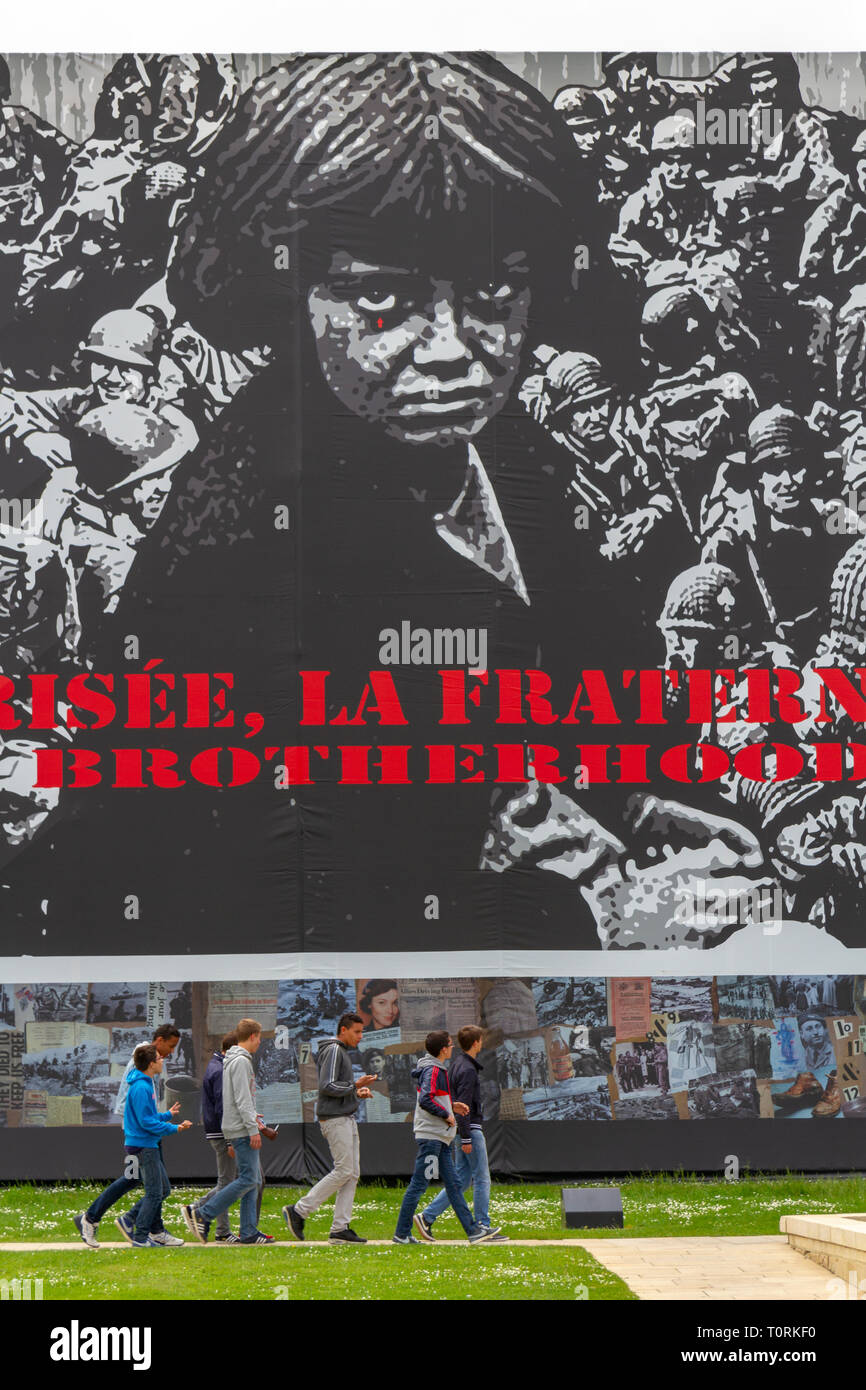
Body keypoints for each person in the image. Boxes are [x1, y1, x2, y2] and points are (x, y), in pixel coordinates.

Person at [73, 1023, 181, 1247]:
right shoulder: (142, 1061)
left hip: (142, 1132)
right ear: (159, 1041)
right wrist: (157, 1125)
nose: (171, 1053)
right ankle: (109, 1219)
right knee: (151, 1184)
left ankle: (148, 1226)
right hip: (142, 1135)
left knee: (141, 1180)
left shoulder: (147, 1062)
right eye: (170, 1046)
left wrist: (162, 1116)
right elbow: (129, 1100)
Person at [392, 1030, 502, 1245]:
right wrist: (447, 1115)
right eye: (450, 1045)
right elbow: (426, 1100)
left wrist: (451, 1106)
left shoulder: (435, 1069)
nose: (452, 1048)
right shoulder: (432, 1069)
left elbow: (432, 1098)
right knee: (419, 1185)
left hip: (440, 1138)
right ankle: (402, 1233)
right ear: (443, 1049)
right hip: (431, 1139)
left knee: (454, 1185)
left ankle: (472, 1231)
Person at [283, 1012, 376, 1244]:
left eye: (362, 1031)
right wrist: (355, 1084)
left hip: (343, 1116)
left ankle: (340, 1229)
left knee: (352, 1174)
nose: (360, 1036)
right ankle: (299, 1210)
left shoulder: (339, 1051)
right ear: (343, 1030)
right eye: (357, 1031)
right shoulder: (334, 1050)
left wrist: (356, 1092)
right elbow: (327, 1086)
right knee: (345, 1170)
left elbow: (335, 1087)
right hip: (335, 1119)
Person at [183, 1018, 274, 1245]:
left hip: (238, 1126)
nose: (259, 1043)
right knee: (248, 1179)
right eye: (259, 1038)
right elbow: (243, 1100)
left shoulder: (231, 1060)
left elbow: (236, 1100)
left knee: (251, 1179)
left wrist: (252, 1118)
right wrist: (253, 1129)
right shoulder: (241, 1062)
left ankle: (249, 1231)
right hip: (241, 1130)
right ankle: (203, 1213)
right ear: (252, 1036)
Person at [123, 1043, 192, 1246]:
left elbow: (149, 1116)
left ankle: (140, 1225)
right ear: (151, 1063)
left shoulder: (144, 1084)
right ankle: (141, 1236)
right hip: (144, 1145)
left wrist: (167, 1115)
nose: (163, 1060)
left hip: (146, 1143)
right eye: (160, 1058)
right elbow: (146, 1122)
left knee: (163, 1190)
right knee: (154, 1192)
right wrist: (175, 1128)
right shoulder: (142, 1087)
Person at [201, 1029, 244, 1244]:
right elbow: (222, 1106)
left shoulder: (216, 1065)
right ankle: (214, 1224)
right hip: (222, 1133)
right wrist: (230, 1139)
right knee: (227, 1183)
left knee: (228, 1181)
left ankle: (202, 1213)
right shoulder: (220, 1070)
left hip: (217, 1131)